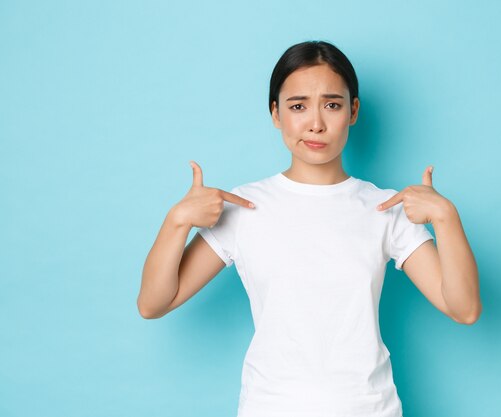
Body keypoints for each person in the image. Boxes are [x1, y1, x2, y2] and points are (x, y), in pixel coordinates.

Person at [138, 40, 482, 417]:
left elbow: (463, 309)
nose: (316, 123)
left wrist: (447, 218)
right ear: (275, 113)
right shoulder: (244, 207)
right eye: (298, 106)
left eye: (332, 105)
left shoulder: (384, 208)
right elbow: (154, 303)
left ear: (352, 111)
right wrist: (177, 221)